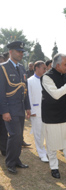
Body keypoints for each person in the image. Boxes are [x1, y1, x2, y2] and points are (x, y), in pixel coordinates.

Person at [0, 41, 31, 174]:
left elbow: (25, 89)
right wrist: (4, 111)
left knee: (19, 136)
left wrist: (28, 107)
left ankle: (16, 160)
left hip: (20, 108)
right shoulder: (3, 68)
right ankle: (10, 163)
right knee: (14, 135)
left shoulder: (22, 68)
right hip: (10, 109)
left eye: (22, 52)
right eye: (19, 51)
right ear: (11, 52)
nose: (21, 54)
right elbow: (1, 92)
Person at [27, 61, 48, 162]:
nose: (45, 70)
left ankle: (46, 150)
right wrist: (31, 110)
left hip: (47, 111)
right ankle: (41, 153)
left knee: (46, 132)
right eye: (43, 68)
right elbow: (29, 97)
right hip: (36, 111)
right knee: (38, 133)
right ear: (37, 68)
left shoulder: (46, 80)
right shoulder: (30, 81)